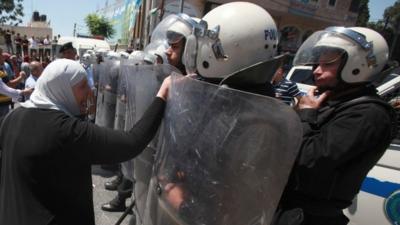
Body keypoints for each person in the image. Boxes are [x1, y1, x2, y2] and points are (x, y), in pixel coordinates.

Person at [0, 59, 171, 225]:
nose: (90, 91)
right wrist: (162, 95)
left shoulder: (12, 117)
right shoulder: (67, 131)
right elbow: (133, 142)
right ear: (61, 89)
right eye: (82, 86)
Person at [272, 27, 397, 225]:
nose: (316, 70)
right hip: (287, 208)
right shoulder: (334, 103)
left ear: (358, 64)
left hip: (309, 217)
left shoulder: (368, 114)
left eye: (327, 64)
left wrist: (306, 115)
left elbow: (309, 159)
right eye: (317, 63)